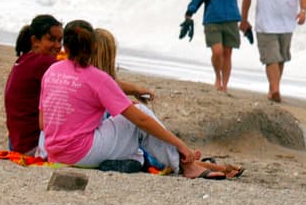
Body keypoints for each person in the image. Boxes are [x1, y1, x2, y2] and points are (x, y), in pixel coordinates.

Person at [39, 20, 215, 176]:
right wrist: (181, 144)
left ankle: (140, 160)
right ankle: (186, 165)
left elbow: (43, 123)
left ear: (66, 47)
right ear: (93, 46)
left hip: (53, 152)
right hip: (81, 154)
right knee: (139, 111)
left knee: (124, 122)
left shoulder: (51, 71)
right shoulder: (98, 78)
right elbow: (141, 120)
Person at [91, 26, 242, 178]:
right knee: (148, 140)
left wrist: (135, 91)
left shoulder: (87, 76)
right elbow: (121, 98)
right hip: (96, 143)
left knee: (143, 131)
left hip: (95, 141)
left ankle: (197, 163)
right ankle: (198, 164)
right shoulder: (100, 82)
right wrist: (180, 145)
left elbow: (114, 85)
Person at [184, 0, 277, 92]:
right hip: (212, 19)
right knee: (217, 52)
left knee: (227, 53)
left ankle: (225, 85)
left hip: (231, 19)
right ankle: (217, 78)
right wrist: (189, 13)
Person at [3, 14, 63, 155]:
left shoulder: (25, 59)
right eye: (51, 39)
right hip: (31, 146)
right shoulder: (43, 62)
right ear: (35, 40)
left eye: (60, 40)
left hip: (16, 143)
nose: (57, 46)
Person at [92, 27, 156, 102]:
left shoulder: (84, 73)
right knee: (140, 107)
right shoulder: (101, 81)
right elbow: (110, 86)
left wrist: (135, 90)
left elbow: (112, 85)